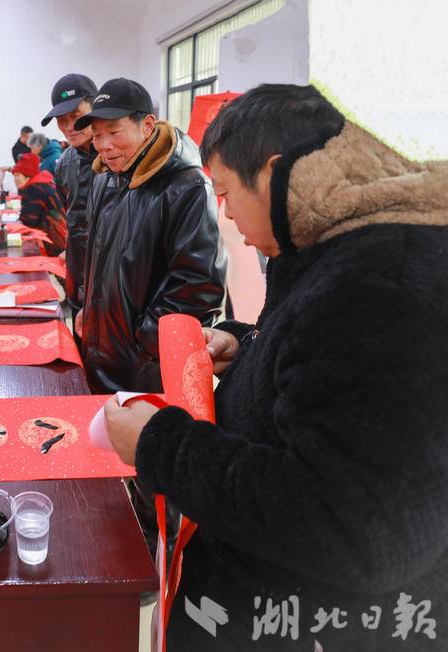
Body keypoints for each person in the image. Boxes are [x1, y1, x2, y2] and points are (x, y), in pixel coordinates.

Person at [105, 84, 448, 651]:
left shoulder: (380, 288)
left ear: (272, 172)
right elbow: (325, 374)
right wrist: (250, 345)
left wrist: (158, 444)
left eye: (225, 191)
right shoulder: (341, 244)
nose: (224, 212)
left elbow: (353, 527)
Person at [74, 78, 226, 394]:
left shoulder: (187, 187)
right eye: (97, 135)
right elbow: (97, 255)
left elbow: (198, 285)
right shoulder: (104, 178)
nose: (104, 145)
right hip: (100, 352)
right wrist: (90, 311)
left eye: (114, 132)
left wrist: (144, 342)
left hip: (147, 368)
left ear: (146, 125)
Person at [42, 73, 99, 317]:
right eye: (61, 121)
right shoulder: (65, 163)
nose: (68, 128)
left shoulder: (118, 157)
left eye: (76, 117)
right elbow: (71, 217)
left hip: (115, 280)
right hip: (77, 275)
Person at [11, 153, 67, 257]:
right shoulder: (43, 183)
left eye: (18, 175)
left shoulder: (33, 189)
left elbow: (28, 221)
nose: (15, 179)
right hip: (63, 235)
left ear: (28, 175)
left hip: (54, 240)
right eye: (14, 176)